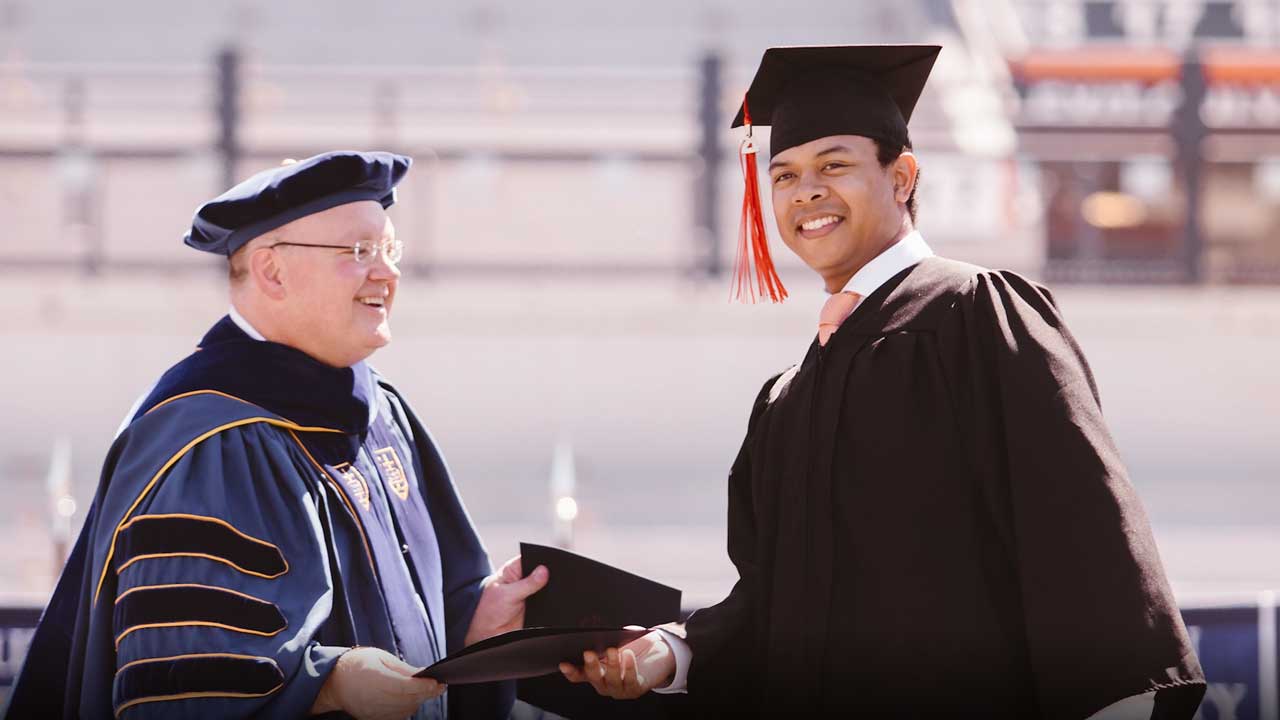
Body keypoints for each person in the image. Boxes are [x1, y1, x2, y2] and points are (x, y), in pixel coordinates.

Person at [562, 45, 1206, 718]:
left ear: (901, 177)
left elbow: (1090, 546)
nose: (805, 191)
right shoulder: (788, 397)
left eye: (833, 166)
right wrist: (669, 654)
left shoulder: (977, 315)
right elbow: (772, 605)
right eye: (783, 176)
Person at [6, 151, 548, 720]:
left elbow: (420, 615)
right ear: (271, 271)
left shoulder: (381, 415)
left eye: (390, 250)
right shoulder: (210, 440)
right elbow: (187, 679)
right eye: (359, 251)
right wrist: (326, 684)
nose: (386, 274)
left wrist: (475, 625)